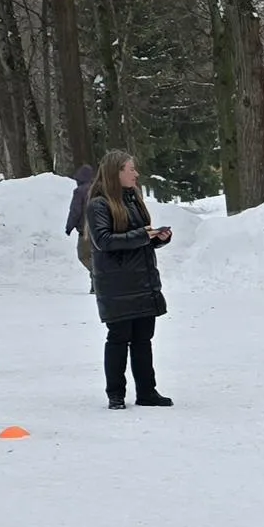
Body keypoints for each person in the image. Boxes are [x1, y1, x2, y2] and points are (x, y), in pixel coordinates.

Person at [85, 150, 173, 408]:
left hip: (142, 282)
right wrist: (143, 236)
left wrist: (156, 239)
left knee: (144, 338)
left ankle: (147, 392)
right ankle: (116, 395)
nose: (136, 174)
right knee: (119, 337)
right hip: (117, 286)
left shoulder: (134, 199)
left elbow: (138, 239)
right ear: (117, 173)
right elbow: (104, 242)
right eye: (130, 169)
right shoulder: (98, 204)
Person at [64, 164, 96, 292]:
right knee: (95, 255)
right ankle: (97, 279)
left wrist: (69, 226)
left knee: (83, 255)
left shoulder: (79, 191)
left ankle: (96, 276)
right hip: (98, 229)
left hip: (85, 231)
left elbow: (75, 211)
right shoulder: (96, 189)